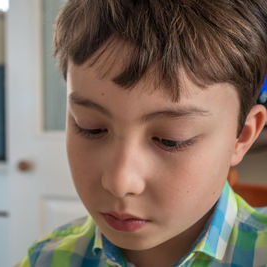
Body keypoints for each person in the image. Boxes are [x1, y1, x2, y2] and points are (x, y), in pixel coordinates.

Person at [18, 0, 267, 266]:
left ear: (241, 137)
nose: (119, 182)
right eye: (90, 127)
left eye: (171, 140)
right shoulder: (46, 259)